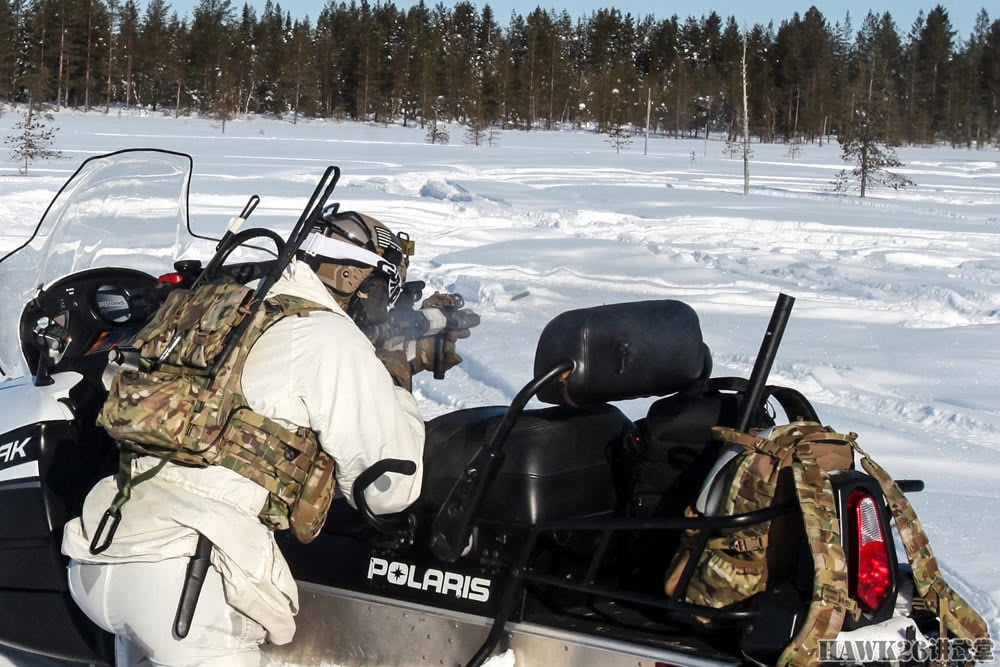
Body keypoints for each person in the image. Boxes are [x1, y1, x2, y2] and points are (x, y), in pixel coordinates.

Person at [61, 210, 479, 666]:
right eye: (382, 291)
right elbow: (388, 490)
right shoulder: (327, 335)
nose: (382, 307)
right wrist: (396, 373)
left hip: (105, 548)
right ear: (348, 274)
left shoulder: (225, 307)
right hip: (189, 580)